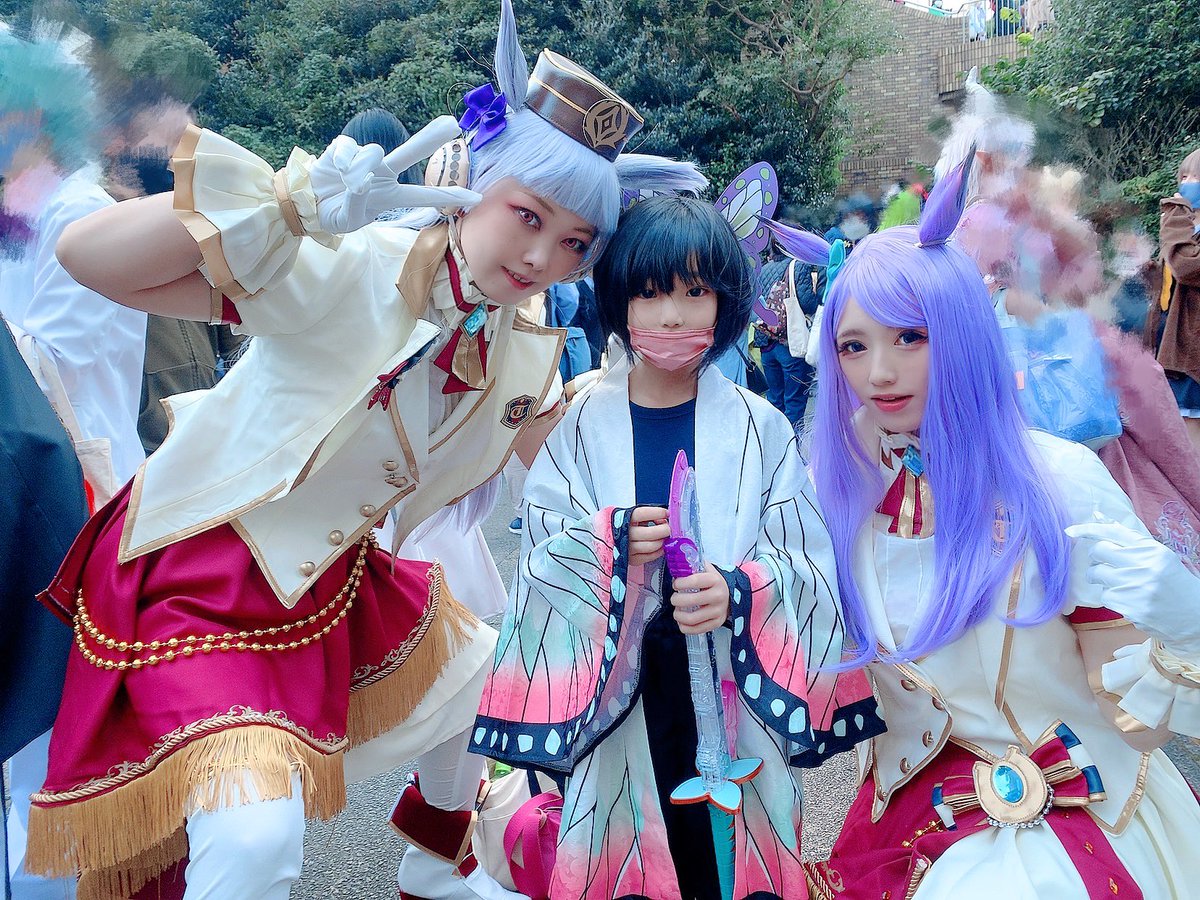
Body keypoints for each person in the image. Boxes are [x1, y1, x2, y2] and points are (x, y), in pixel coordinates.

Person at [23, 2, 707, 898]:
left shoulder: (515, 346)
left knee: (486, 671)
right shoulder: (355, 257)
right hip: (202, 575)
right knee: (256, 839)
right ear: (473, 184)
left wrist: (676, 413)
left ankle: (434, 864)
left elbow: (569, 469)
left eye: (573, 241)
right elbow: (88, 257)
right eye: (526, 215)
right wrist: (289, 207)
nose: (541, 255)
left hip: (329, 579)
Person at [769, 158, 1200, 899]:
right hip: (906, 813)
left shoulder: (1057, 483)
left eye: (910, 337)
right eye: (854, 345)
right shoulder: (836, 494)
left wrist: (1182, 629)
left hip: (1068, 814)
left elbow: (1135, 725)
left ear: (964, 333)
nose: (879, 373)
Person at [474, 195, 883, 899]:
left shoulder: (760, 426)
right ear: (619, 301)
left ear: (725, 303)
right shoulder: (579, 426)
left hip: (732, 684)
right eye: (650, 292)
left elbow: (805, 561)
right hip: (618, 698)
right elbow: (539, 554)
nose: (670, 316)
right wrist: (607, 544)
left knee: (724, 859)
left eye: (695, 293)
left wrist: (739, 590)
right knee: (631, 850)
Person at [1, 31, 148, 900]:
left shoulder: (82, 215)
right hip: (30, 496)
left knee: (51, 743)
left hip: (77, 506)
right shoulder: (18, 217)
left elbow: (48, 371)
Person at [1146, 148, 1200, 452]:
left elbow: (1185, 267)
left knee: (1190, 434)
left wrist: (1175, 217)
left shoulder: (1180, 226)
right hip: (1175, 345)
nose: (1187, 183)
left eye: (1196, 177)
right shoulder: (1186, 229)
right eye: (1184, 176)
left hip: (1192, 352)